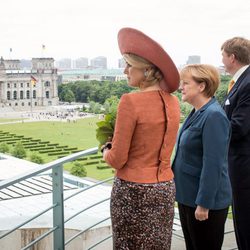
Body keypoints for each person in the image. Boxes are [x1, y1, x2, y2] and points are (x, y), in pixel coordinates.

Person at [102, 27, 180, 249]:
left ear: (146, 70)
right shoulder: (173, 102)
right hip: (164, 188)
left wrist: (105, 150)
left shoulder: (130, 101)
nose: (125, 70)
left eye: (129, 65)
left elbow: (117, 159)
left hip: (134, 191)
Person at [172, 64, 232, 250]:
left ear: (201, 86)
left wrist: (204, 204)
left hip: (205, 203)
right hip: (188, 197)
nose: (181, 87)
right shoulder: (196, 112)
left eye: (186, 83)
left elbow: (213, 164)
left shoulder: (214, 116)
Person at [221, 37, 250, 250]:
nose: (221, 60)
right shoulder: (240, 82)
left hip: (244, 168)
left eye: (222, 55)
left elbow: (239, 127)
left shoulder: (248, 83)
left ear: (232, 57)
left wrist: (210, 129)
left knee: (245, 221)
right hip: (239, 165)